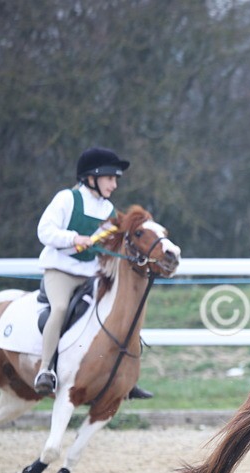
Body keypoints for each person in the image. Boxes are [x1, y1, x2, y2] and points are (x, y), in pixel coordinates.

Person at [34, 147, 153, 399]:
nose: (114, 185)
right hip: (61, 271)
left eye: (115, 180)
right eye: (110, 179)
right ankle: (45, 370)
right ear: (91, 178)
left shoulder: (108, 210)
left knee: (120, 312)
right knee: (60, 309)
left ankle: (126, 378)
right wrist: (74, 238)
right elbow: (44, 231)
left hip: (92, 274)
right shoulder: (67, 199)